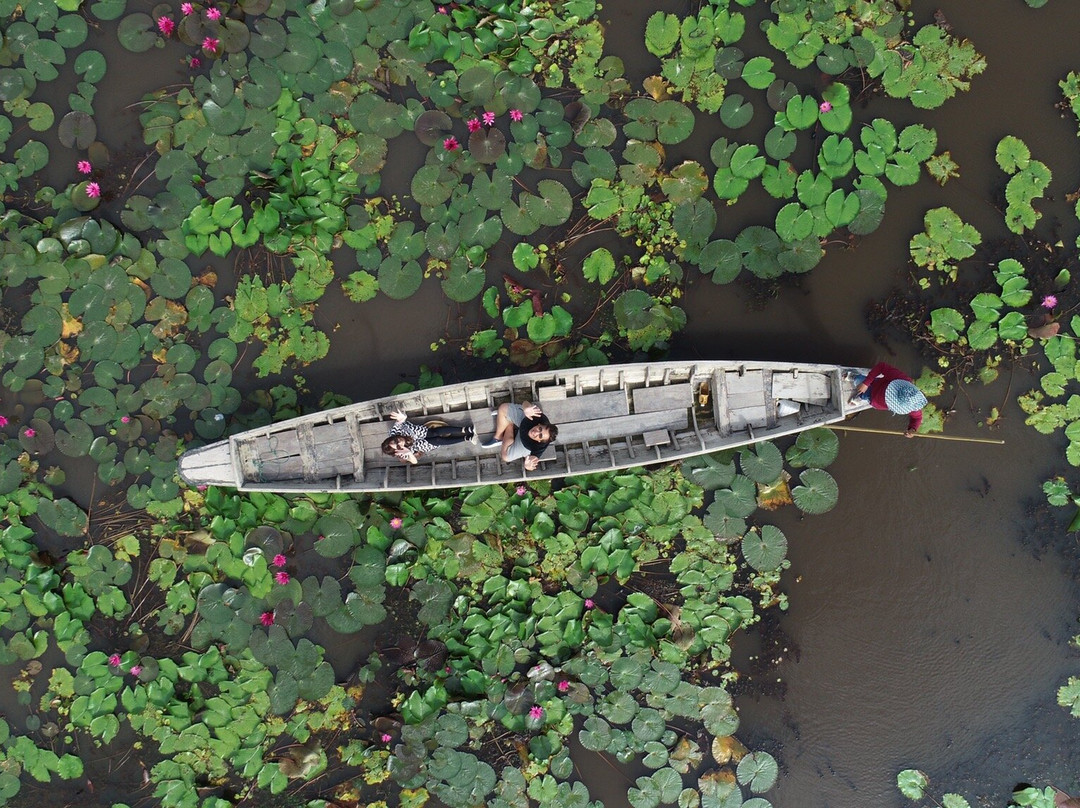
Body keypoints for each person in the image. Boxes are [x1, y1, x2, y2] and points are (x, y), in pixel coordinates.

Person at [849, 362, 927, 438]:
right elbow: (881, 366)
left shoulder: (913, 404)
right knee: (859, 380)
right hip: (875, 385)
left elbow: (917, 418)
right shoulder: (901, 378)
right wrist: (866, 383)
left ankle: (861, 396)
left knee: (865, 396)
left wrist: (912, 429)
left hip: (874, 401)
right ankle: (853, 376)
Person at [381, 410, 477, 465]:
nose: (399, 442)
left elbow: (400, 421)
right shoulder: (401, 453)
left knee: (434, 432)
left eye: (396, 440)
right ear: (396, 451)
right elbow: (414, 462)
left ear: (392, 437)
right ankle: (467, 438)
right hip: (421, 444)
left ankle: (467, 429)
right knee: (437, 440)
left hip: (419, 432)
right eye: (398, 446)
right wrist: (409, 453)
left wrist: (403, 417)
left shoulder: (394, 432)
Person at [484, 402, 558, 471]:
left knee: (505, 456)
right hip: (525, 419)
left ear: (539, 441)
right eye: (540, 429)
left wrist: (528, 465)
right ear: (539, 424)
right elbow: (526, 403)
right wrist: (526, 408)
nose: (536, 432)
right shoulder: (538, 417)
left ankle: (509, 424)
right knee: (503, 408)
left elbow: (533, 461)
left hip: (524, 444)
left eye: (540, 435)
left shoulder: (538, 447)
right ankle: (498, 437)